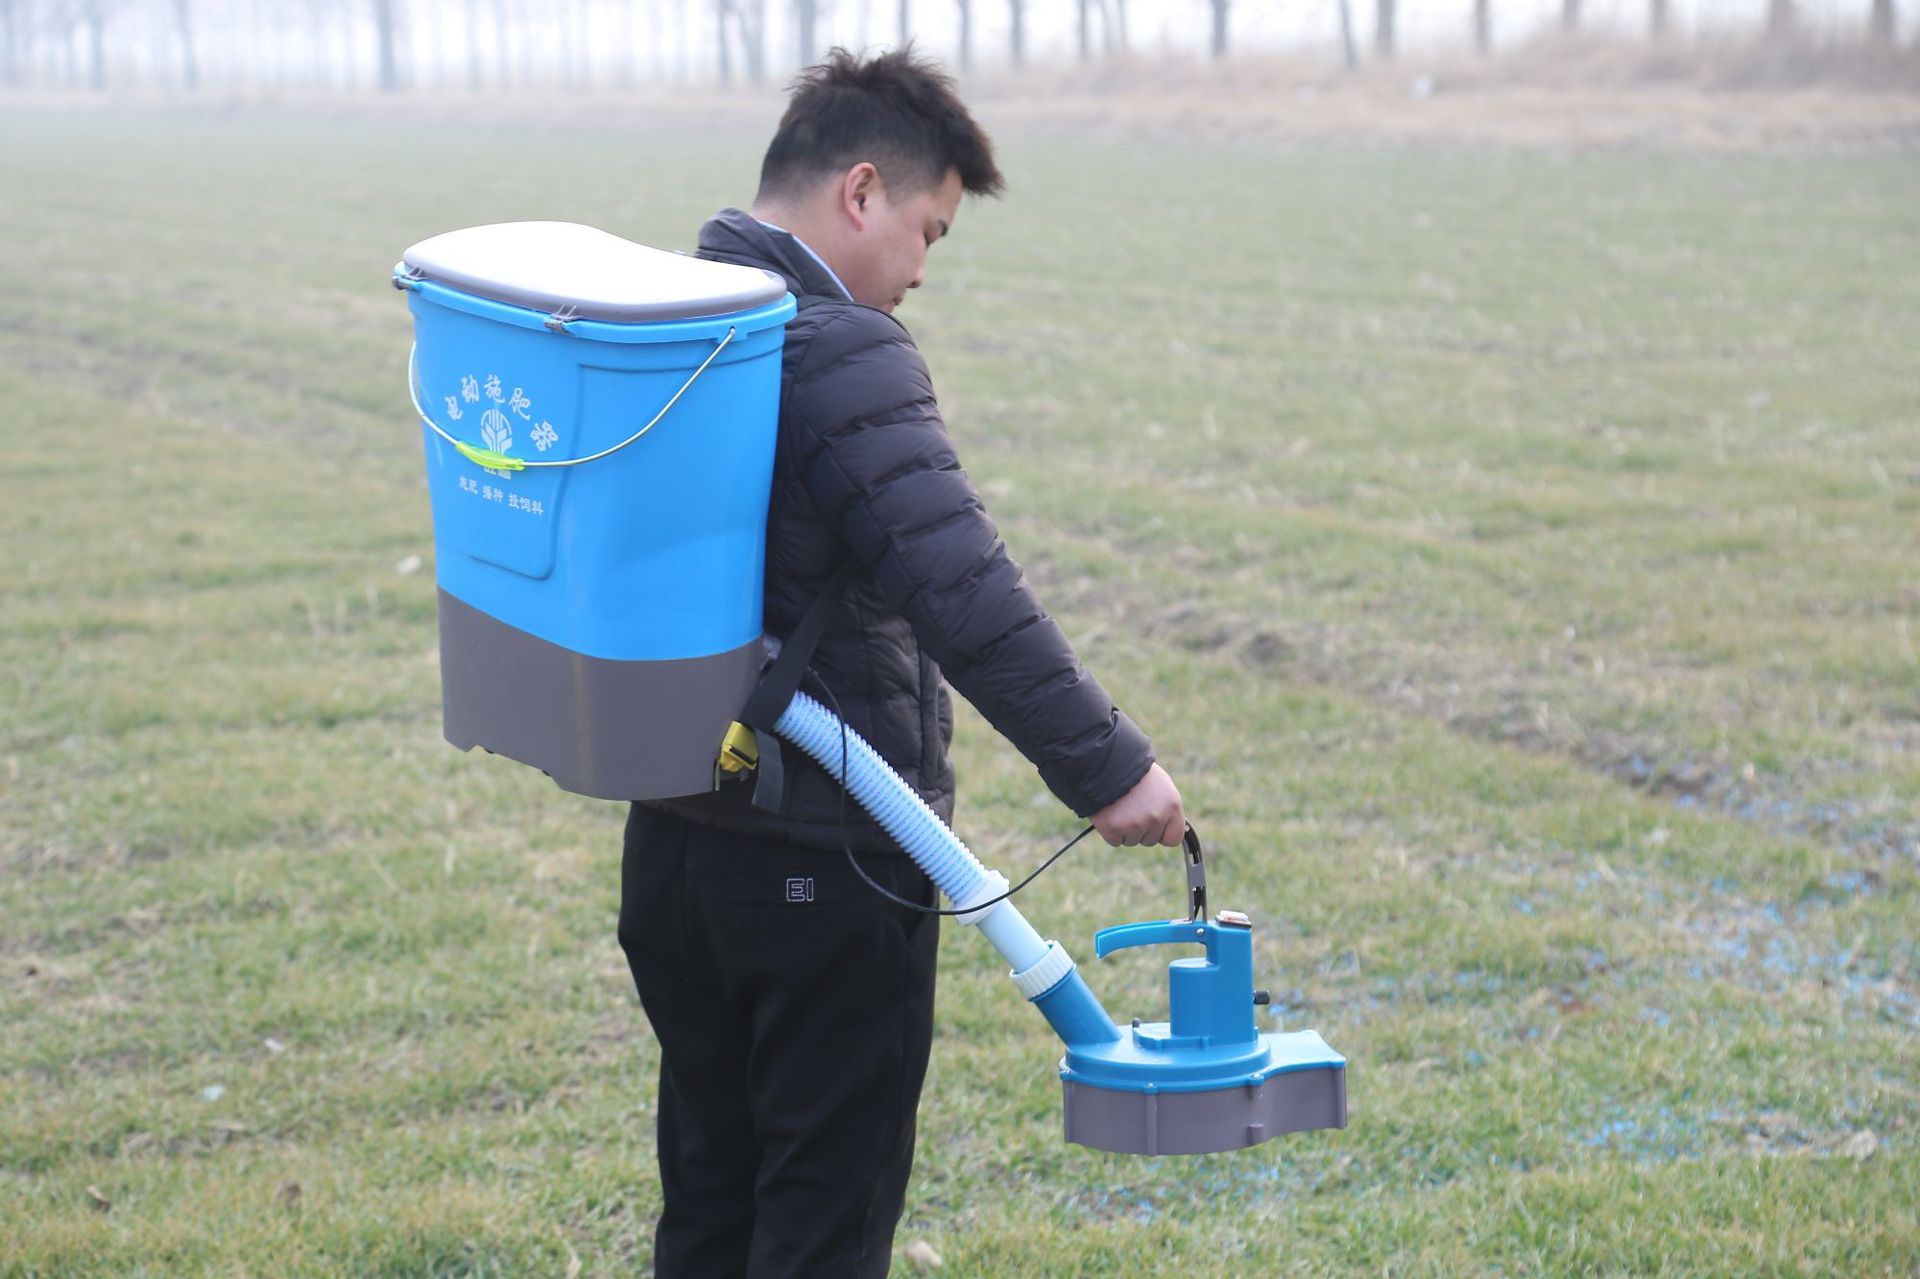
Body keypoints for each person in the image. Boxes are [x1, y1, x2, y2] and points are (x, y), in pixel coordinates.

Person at [617, 46, 1185, 1279]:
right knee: (824, 1220)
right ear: (861, 192)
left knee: (709, 1204)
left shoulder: (657, 319)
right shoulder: (837, 346)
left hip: (671, 849)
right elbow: (962, 589)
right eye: (928, 231)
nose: (923, 270)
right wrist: (1110, 768)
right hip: (825, 864)